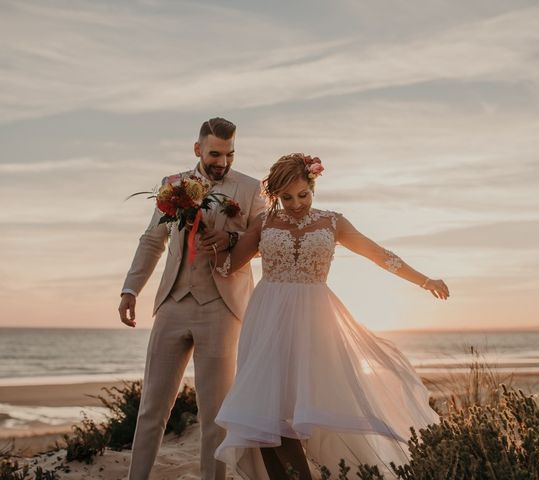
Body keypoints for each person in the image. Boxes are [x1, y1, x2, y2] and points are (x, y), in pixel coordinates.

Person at [207, 153, 449, 479]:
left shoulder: (333, 222)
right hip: (266, 321)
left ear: (313, 185)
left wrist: (424, 280)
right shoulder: (264, 223)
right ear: (275, 195)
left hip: (314, 323)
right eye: (286, 197)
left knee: (297, 408)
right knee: (265, 410)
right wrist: (212, 236)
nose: (295, 204)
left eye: (302, 195)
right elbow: (226, 266)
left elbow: (379, 255)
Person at [118, 117, 265, 480]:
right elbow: (152, 241)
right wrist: (130, 289)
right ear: (198, 149)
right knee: (152, 406)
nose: (223, 162)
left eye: (230, 154)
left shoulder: (250, 189)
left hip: (222, 306)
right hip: (172, 303)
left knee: (215, 412)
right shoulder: (173, 186)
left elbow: (264, 239)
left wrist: (230, 241)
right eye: (215, 153)